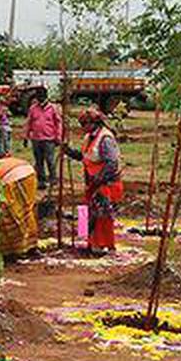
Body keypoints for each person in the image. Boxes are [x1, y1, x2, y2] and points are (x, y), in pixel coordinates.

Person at [65, 107, 124, 253]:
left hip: (106, 183)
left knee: (102, 216)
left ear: (94, 123)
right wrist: (68, 151)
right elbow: (85, 156)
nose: (82, 128)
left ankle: (103, 245)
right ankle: (87, 242)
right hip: (92, 182)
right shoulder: (88, 137)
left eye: (84, 124)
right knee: (86, 212)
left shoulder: (106, 139)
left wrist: (99, 179)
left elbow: (112, 163)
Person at [0, 156, 40, 259]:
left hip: (11, 179)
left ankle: (14, 249)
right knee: (26, 211)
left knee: (10, 215)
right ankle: (31, 245)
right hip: (28, 172)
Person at [24, 87, 62, 190]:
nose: (40, 98)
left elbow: (58, 123)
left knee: (50, 160)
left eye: (41, 96)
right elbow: (29, 123)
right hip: (36, 139)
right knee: (38, 161)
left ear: (46, 96)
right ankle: (41, 181)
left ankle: (53, 179)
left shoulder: (53, 108)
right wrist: (26, 137)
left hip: (49, 138)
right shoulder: (33, 108)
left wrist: (58, 137)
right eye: (38, 96)